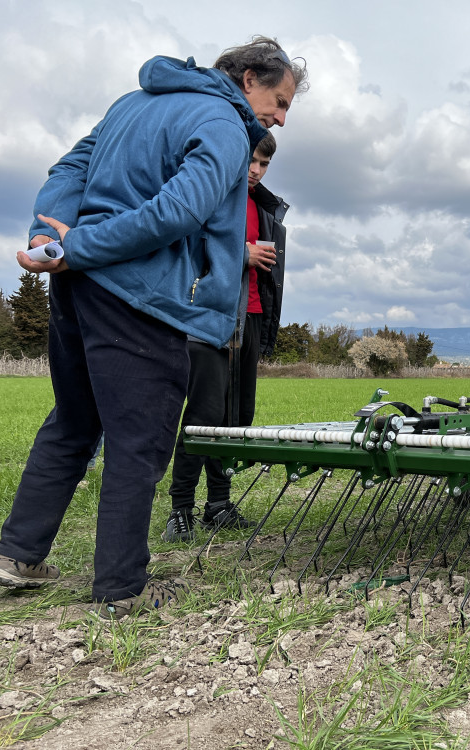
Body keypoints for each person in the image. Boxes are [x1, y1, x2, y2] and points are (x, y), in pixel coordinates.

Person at [0, 38, 307, 618]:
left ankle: (18, 554)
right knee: (140, 439)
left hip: (76, 287)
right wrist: (79, 247)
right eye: (280, 101)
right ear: (248, 80)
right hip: (139, 295)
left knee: (74, 420)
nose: (281, 118)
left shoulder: (133, 103)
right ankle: (122, 588)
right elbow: (179, 211)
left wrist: (47, 233)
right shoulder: (223, 123)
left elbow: (71, 168)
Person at [162, 131, 289, 542]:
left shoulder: (263, 205)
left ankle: (218, 504)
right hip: (208, 318)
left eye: (264, 163)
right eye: (252, 160)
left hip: (250, 316)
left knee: (236, 417)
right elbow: (183, 247)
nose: (257, 170)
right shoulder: (210, 195)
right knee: (204, 415)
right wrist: (241, 254)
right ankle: (180, 509)